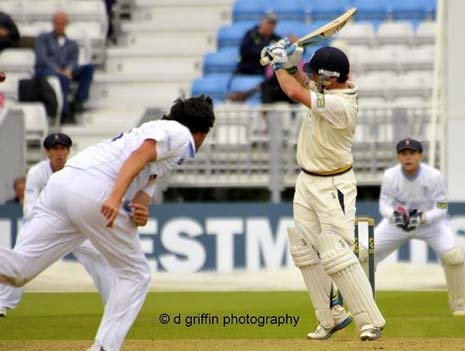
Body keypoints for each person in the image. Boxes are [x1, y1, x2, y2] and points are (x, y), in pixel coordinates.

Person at [0, 95, 215, 351]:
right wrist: (114, 197)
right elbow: (141, 154)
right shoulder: (179, 133)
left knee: (20, 271)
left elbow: (142, 196)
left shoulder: (163, 141)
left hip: (62, 185)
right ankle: (104, 348)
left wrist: (139, 213)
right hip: (95, 188)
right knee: (136, 274)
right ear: (202, 132)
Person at [265, 43, 385, 340]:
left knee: (336, 254)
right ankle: (330, 317)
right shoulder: (329, 91)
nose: (312, 79)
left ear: (329, 78)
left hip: (334, 186)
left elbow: (295, 92)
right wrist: (291, 66)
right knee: (304, 250)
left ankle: (370, 321)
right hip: (307, 181)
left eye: (317, 75)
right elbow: (305, 84)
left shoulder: (341, 105)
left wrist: (278, 65)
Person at [0, 133, 113, 318]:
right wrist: (41, 223)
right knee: (20, 257)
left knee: (101, 258)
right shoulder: (37, 172)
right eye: (55, 149)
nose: (59, 153)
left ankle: (113, 306)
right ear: (47, 152)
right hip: (44, 226)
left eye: (63, 149)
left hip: (76, 226)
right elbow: (29, 206)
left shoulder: (79, 169)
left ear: (69, 151)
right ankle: (2, 302)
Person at [372, 138, 465, 316]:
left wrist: (423, 218)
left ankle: (459, 304)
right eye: (404, 154)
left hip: (430, 225)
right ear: (398, 157)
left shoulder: (433, 176)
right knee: (364, 255)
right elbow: (384, 205)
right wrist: (395, 217)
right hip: (398, 224)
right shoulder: (390, 175)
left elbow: (442, 207)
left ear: (420, 155)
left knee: (454, 257)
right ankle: (363, 306)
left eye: (412, 153)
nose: (408, 158)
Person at [34, 11, 94, 124]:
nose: (59, 26)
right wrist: (58, 70)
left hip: (64, 71)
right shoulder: (43, 39)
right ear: (53, 23)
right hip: (47, 70)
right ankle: (65, 112)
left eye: (62, 24)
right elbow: (42, 58)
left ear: (66, 24)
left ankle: (79, 101)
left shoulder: (72, 44)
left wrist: (69, 69)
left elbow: (74, 61)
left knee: (88, 68)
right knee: (62, 78)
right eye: (57, 23)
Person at [228, 13, 293, 104]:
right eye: (269, 23)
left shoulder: (276, 38)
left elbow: (287, 52)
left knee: (279, 74)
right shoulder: (251, 34)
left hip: (264, 71)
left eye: (273, 24)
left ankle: (246, 94)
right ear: (262, 22)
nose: (271, 26)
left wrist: (293, 43)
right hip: (247, 69)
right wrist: (266, 52)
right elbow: (244, 51)